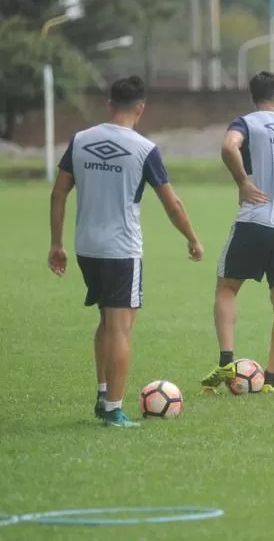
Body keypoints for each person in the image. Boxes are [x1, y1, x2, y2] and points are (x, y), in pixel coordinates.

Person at [48, 75, 204, 427]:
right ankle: (114, 410)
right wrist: (192, 238)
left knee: (107, 320)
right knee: (121, 327)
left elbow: (58, 193)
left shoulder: (81, 140)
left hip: (86, 246)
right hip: (121, 249)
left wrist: (56, 244)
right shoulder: (144, 148)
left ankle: (104, 392)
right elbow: (172, 203)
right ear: (140, 108)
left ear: (108, 105)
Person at [200, 71, 274, 394]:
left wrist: (243, 182)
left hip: (253, 221)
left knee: (227, 289)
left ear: (253, 97)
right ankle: (270, 381)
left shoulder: (246, 123)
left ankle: (225, 362)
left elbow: (228, 147)